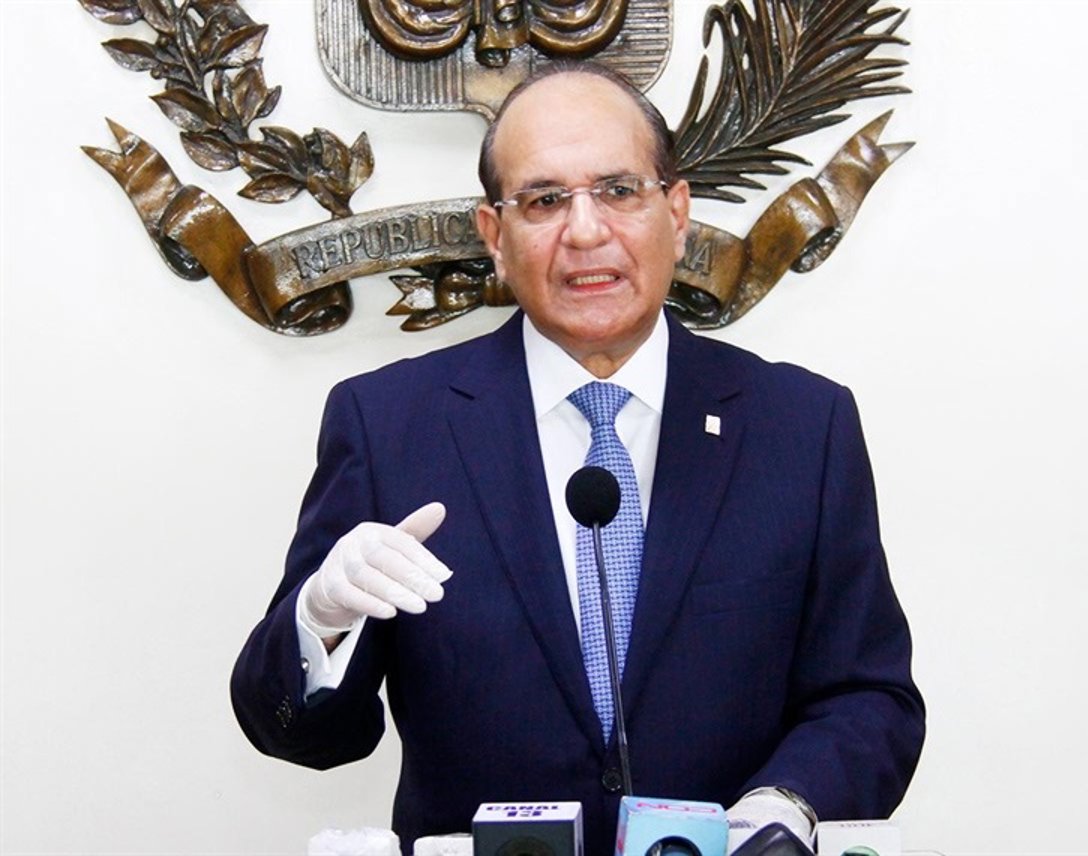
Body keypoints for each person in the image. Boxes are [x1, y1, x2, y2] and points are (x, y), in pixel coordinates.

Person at [231, 61, 924, 856]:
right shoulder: (388, 425)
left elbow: (869, 696)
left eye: (619, 191)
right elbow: (305, 736)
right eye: (544, 201)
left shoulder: (802, 425)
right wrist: (320, 624)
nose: (586, 231)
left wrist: (787, 803)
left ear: (677, 214)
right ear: (496, 237)